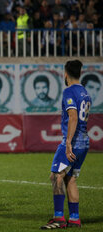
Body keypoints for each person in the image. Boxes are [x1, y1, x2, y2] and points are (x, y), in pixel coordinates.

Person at [40, 60, 91, 229]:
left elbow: (73, 116)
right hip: (84, 141)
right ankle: (75, 219)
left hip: (74, 141)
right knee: (70, 178)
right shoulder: (85, 92)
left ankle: (59, 218)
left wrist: (68, 142)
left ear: (66, 74)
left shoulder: (69, 91)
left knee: (56, 176)